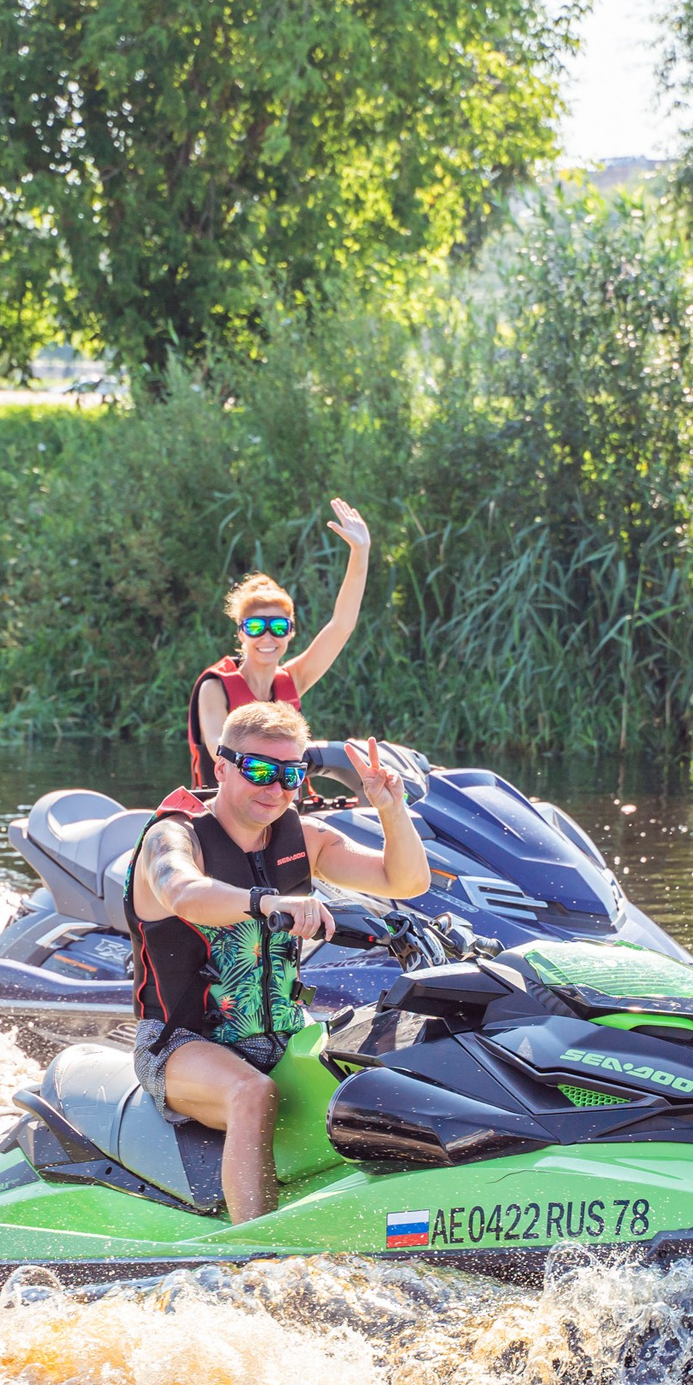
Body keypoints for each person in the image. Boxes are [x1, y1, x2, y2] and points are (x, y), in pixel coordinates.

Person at [129, 699, 428, 1222]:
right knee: (253, 1093)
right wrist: (265, 902)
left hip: (283, 1032)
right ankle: (258, 1259)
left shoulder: (301, 838)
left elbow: (405, 881)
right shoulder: (174, 838)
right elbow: (182, 892)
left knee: (385, 1079)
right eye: (260, 770)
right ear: (222, 767)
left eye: (291, 775)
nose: (276, 788)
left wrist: (389, 808)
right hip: (181, 1042)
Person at [184, 498, 372, 790]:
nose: (268, 637)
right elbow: (217, 746)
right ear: (241, 633)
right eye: (256, 627)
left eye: (279, 627)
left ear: (290, 632)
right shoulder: (215, 687)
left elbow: (342, 625)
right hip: (226, 813)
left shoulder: (293, 679)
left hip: (283, 806)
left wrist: (360, 552)